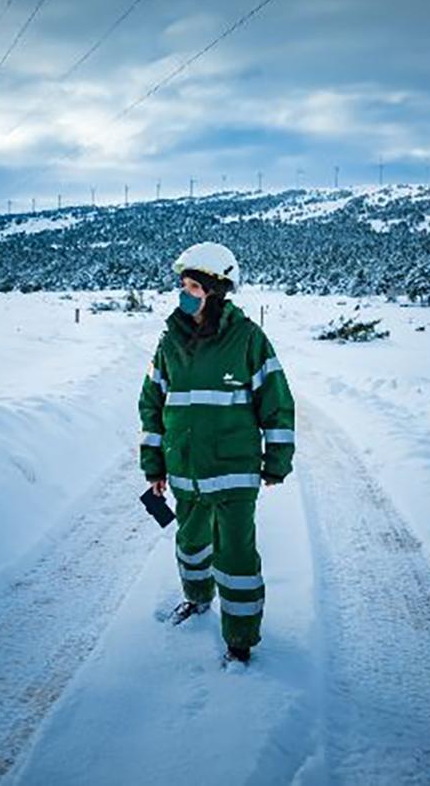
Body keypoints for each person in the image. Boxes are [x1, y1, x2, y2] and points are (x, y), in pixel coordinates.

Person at [138, 241, 295, 665]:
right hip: (185, 471)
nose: (184, 293)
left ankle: (240, 640)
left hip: (234, 474)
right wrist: (155, 465)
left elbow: (277, 402)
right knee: (190, 545)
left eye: (193, 285)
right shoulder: (169, 341)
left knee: (236, 557)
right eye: (183, 285)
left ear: (216, 290)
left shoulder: (248, 339)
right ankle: (196, 598)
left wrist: (276, 461)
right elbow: (152, 405)